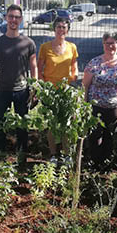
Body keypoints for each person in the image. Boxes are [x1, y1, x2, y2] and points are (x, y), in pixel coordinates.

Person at [0, 4, 37, 160]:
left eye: (17, 17)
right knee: (0, 125)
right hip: (2, 90)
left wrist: (35, 88)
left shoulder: (28, 43)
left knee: (22, 126)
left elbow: (33, 66)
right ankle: (0, 155)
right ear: (6, 18)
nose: (13, 20)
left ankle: (22, 156)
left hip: (22, 91)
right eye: (11, 16)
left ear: (21, 19)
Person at [82, 31, 117, 163]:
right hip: (96, 106)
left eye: (114, 43)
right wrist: (84, 105)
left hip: (115, 107)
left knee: (110, 136)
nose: (111, 46)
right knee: (95, 136)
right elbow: (85, 86)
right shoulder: (94, 64)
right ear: (103, 44)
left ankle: (106, 165)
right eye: (108, 43)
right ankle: (94, 163)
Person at [37, 16, 79, 161]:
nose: (61, 29)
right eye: (58, 27)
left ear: (67, 30)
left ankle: (67, 155)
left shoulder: (72, 47)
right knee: (52, 124)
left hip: (66, 92)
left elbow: (74, 66)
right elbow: (39, 69)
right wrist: (44, 87)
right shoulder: (45, 47)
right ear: (54, 29)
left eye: (64, 27)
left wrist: (74, 77)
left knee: (67, 122)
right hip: (51, 92)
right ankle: (53, 154)